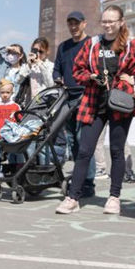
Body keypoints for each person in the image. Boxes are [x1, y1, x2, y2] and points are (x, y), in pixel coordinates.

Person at [56, 5, 135, 215]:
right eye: (104, 21)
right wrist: (89, 77)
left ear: (121, 22)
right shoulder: (93, 43)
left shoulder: (132, 44)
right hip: (94, 101)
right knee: (84, 150)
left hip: (120, 102)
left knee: (117, 150)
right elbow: (77, 69)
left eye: (112, 21)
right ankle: (73, 197)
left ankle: (114, 197)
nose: (107, 25)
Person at [53, 11, 95, 197]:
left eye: (76, 23)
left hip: (86, 96)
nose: (73, 27)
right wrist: (58, 78)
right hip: (68, 97)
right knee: (71, 140)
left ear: (84, 24)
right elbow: (56, 69)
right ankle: (80, 176)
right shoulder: (63, 47)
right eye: (70, 23)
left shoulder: (92, 44)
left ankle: (88, 181)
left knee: (83, 140)